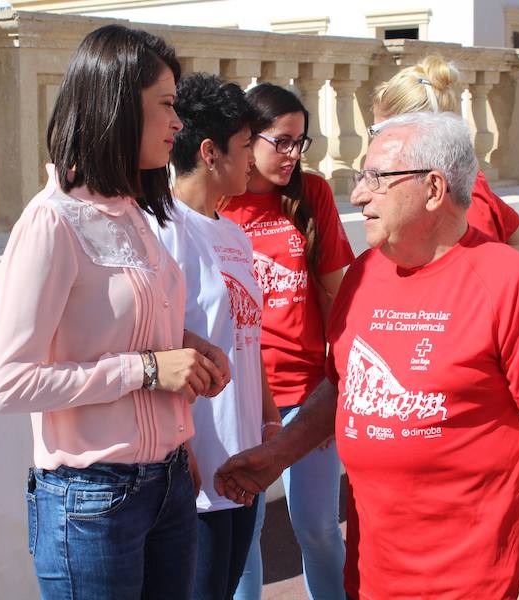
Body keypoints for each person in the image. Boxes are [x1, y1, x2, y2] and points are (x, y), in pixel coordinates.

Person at [216, 111, 519, 600]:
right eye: (360, 177)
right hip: (372, 579)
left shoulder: (513, 284)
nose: (359, 195)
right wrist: (278, 455)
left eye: (377, 178)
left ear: (434, 188)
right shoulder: (365, 273)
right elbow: (343, 384)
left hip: (478, 583)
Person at [0, 25, 231, 600]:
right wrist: (147, 369)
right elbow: (7, 384)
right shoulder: (51, 223)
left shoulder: (135, 212)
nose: (177, 122)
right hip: (90, 502)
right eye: (166, 105)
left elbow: (126, 329)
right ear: (119, 105)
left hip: (167, 483)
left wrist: (188, 347)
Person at [145, 72, 282, 600]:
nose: (253, 160)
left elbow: (250, 338)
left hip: (242, 467)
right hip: (195, 475)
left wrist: (269, 422)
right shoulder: (162, 231)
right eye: (246, 147)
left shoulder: (234, 233)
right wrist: (184, 457)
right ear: (209, 151)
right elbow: (154, 348)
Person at [219, 83, 355, 600]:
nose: (294, 154)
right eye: (283, 141)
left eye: (302, 141)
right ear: (246, 139)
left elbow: (336, 298)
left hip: (306, 394)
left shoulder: (310, 193)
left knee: (317, 526)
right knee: (244, 534)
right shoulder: (219, 202)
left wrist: (330, 393)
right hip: (243, 397)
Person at [373, 54, 519, 253]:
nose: (375, 143)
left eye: (377, 132)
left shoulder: (462, 198)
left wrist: (498, 277)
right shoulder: (465, 182)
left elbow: (508, 246)